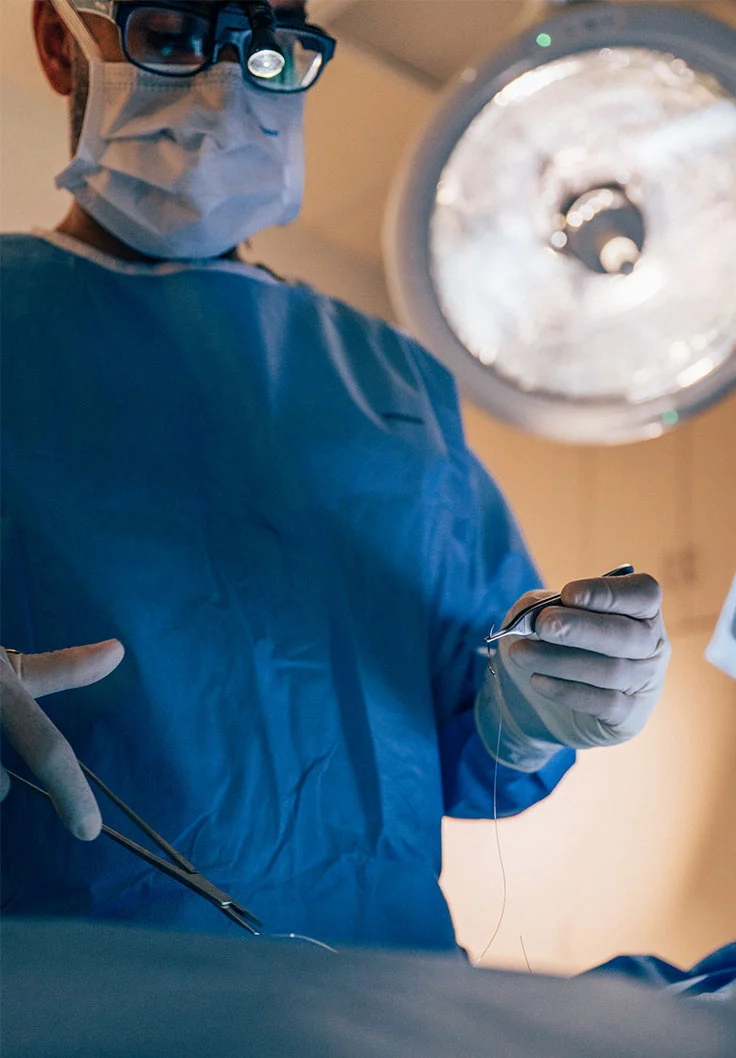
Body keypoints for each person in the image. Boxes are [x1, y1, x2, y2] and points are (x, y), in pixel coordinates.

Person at [0, 0, 671, 950]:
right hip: (61, 1003)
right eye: (169, 31)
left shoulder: (391, 382)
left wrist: (544, 697)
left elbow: (474, 719)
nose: (225, 83)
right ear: (58, 41)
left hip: (371, 999)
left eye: (270, 51)